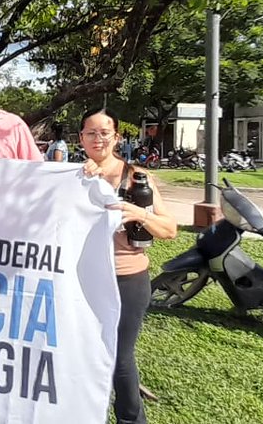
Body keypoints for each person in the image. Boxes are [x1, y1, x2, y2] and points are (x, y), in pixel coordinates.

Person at [79, 107, 177, 424]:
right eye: (91, 133)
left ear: (117, 137)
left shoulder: (136, 177)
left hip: (127, 279)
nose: (98, 139)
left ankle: (131, 419)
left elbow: (170, 230)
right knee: (80, 353)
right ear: (80, 138)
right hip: (84, 281)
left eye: (105, 132)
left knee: (119, 358)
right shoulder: (73, 177)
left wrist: (140, 213)